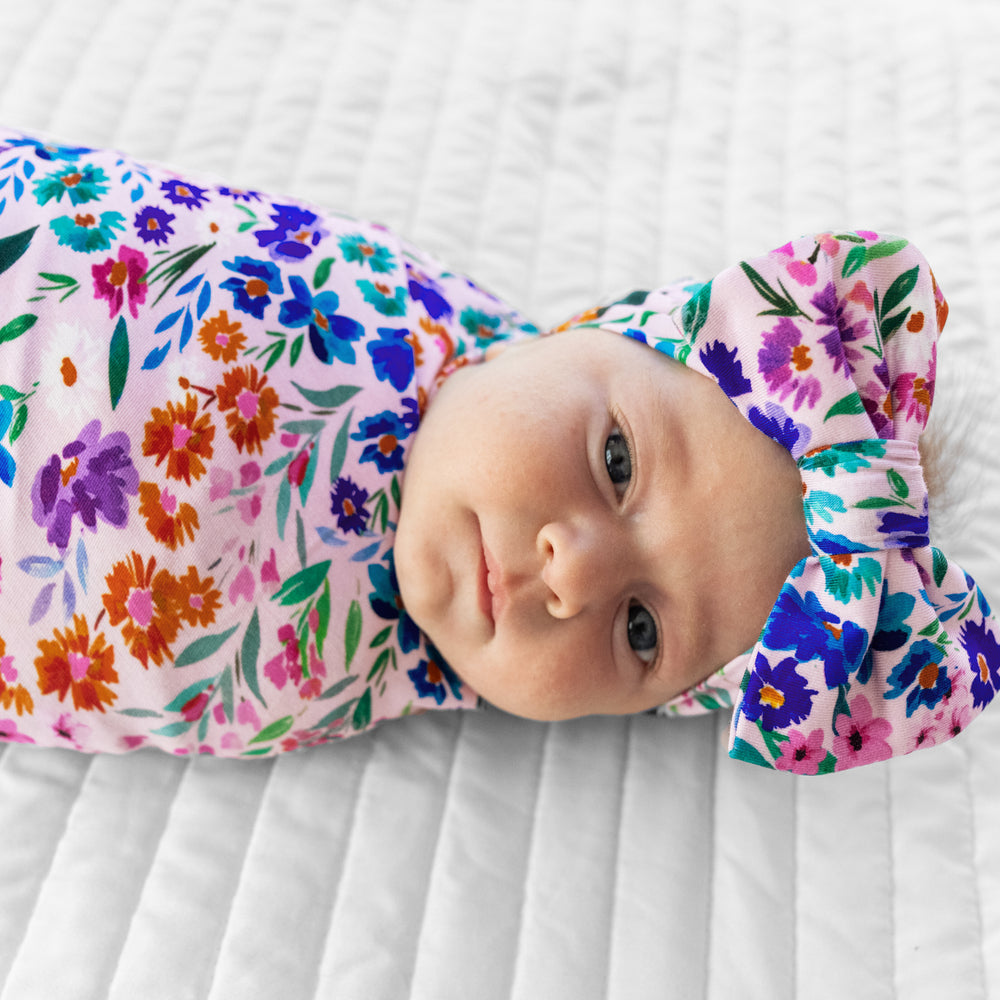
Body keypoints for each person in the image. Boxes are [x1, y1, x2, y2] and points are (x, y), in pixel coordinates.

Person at [0, 127, 996, 772]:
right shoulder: (394, 307)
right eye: (617, 464)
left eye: (641, 632)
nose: (572, 573)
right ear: (593, 331)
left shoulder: (344, 677)